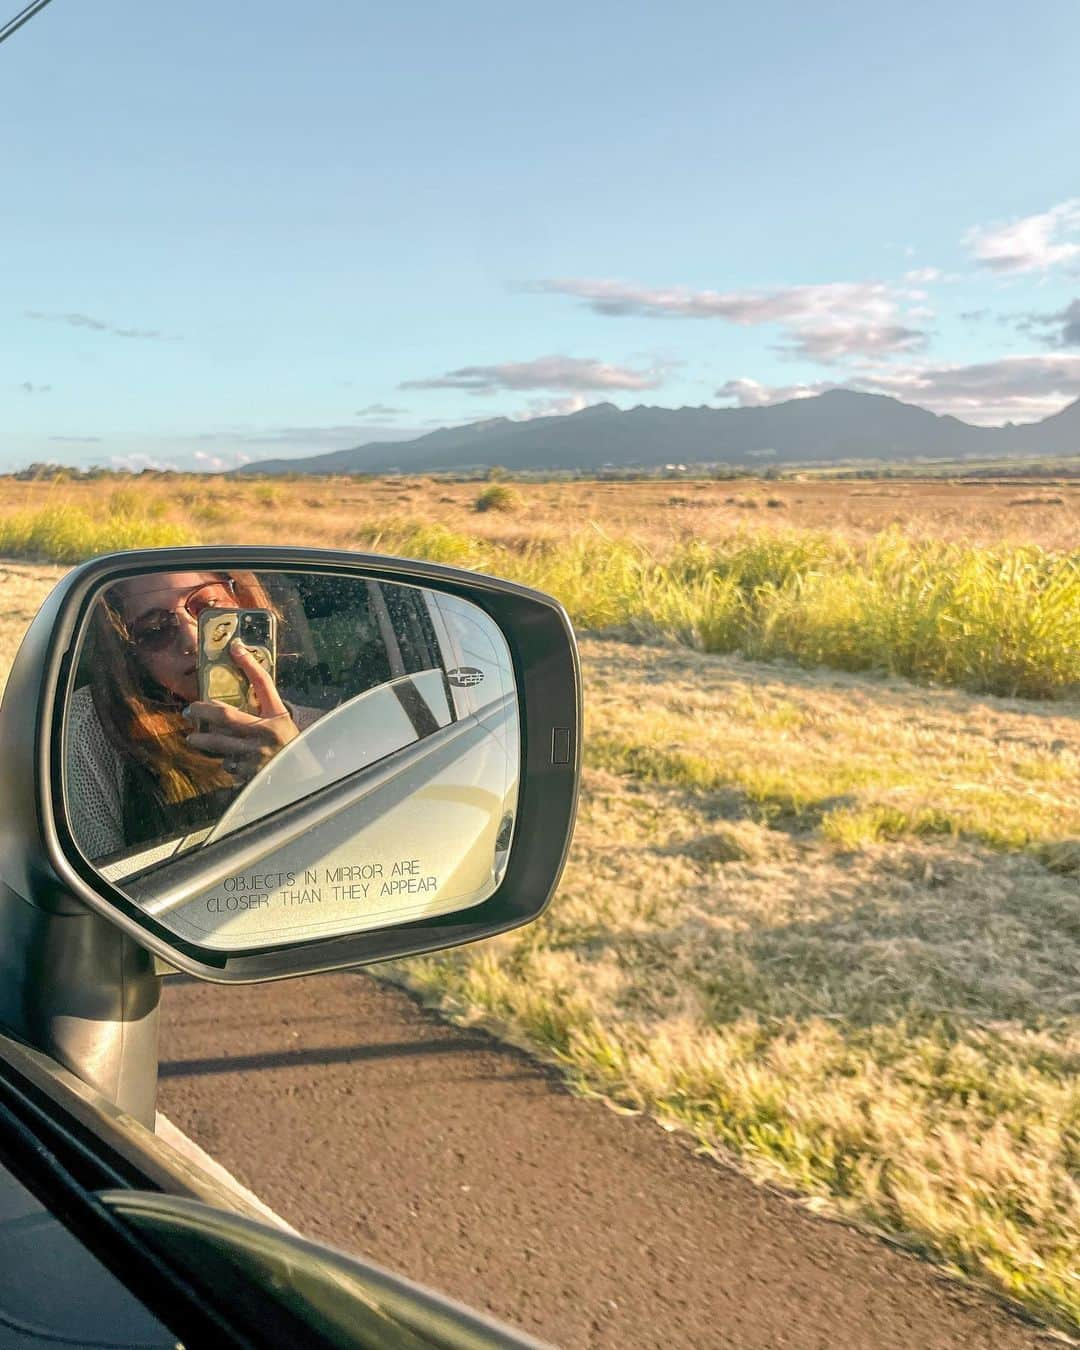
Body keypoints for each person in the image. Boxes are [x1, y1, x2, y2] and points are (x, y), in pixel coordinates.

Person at [66, 570, 319, 861]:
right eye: (155, 630)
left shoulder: (329, 726)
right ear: (132, 656)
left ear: (244, 604)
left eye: (209, 609)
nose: (192, 639)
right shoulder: (100, 730)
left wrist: (293, 767)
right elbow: (100, 880)